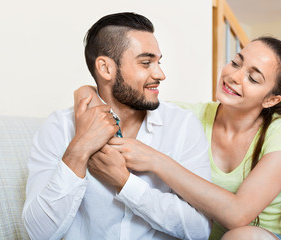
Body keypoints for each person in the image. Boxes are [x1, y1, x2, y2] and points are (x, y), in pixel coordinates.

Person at [76, 37, 281, 240]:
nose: (234, 76)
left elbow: (238, 215)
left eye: (253, 78)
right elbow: (127, 104)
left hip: (262, 237)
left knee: (242, 236)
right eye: (235, 63)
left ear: (270, 100)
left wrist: (156, 161)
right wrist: (90, 92)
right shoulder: (188, 117)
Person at [22, 12, 212, 240]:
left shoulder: (182, 126)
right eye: (146, 63)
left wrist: (125, 182)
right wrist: (79, 149)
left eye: (158, 62)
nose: (160, 74)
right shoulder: (59, 127)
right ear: (105, 68)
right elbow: (37, 233)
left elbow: (200, 230)